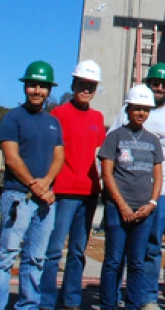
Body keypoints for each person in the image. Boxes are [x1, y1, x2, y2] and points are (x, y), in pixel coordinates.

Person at [0, 61, 65, 310]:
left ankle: (28, 306)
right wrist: (34, 185)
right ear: (25, 87)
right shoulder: (13, 118)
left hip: (44, 201)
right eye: (32, 85)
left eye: (42, 86)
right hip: (18, 197)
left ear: (49, 90)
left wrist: (47, 183)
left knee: (36, 258)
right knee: (6, 256)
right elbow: (12, 158)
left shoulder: (53, 123)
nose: (37, 90)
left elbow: (59, 156)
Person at [109, 63, 165, 310]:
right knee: (121, 249)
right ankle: (114, 296)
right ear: (148, 83)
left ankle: (147, 297)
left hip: (161, 193)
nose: (160, 87)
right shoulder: (127, 113)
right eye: (155, 82)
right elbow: (109, 148)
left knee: (152, 247)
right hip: (127, 192)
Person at [40, 60, 107, 310]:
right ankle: (46, 300)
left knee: (78, 252)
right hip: (63, 192)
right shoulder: (58, 114)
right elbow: (49, 153)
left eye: (90, 86)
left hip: (89, 193)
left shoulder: (97, 118)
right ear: (74, 84)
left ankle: (71, 300)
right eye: (82, 84)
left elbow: (101, 155)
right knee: (54, 249)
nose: (86, 89)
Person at [99, 85, 164, 310]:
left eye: (145, 110)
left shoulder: (153, 141)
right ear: (128, 109)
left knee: (137, 262)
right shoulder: (114, 137)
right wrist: (122, 205)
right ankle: (108, 305)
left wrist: (152, 204)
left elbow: (158, 176)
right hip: (118, 209)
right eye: (137, 108)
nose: (141, 113)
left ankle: (133, 305)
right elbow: (106, 173)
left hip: (143, 212)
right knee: (114, 261)